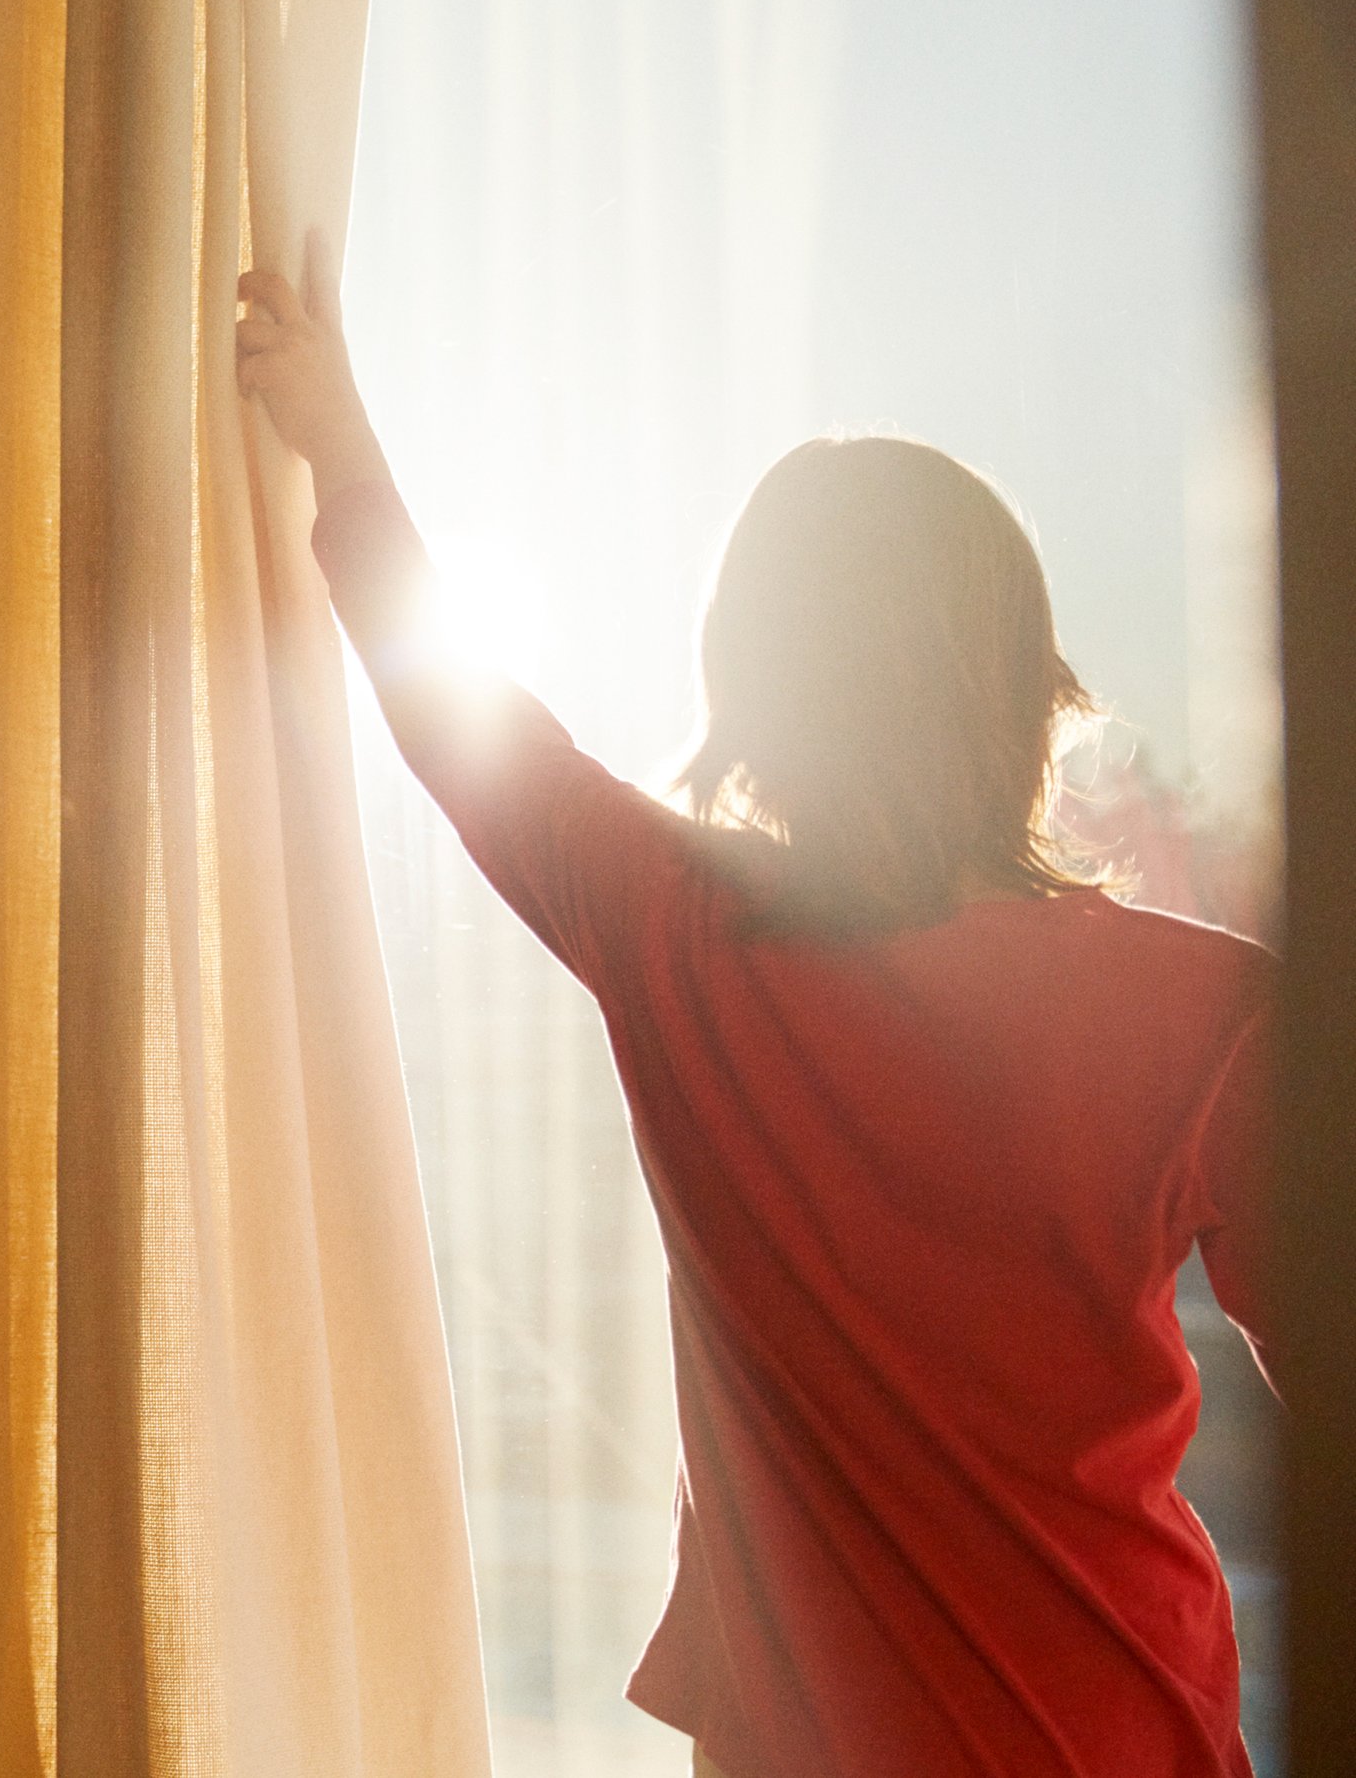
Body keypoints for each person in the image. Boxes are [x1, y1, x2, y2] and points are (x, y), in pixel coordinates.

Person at [236, 234, 1278, 1778]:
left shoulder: (679, 934)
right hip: (1118, 1731)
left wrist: (337, 435)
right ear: (1025, 688)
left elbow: (459, 715)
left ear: (753, 694)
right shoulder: (1209, 1013)